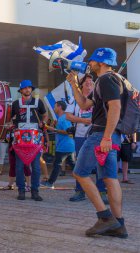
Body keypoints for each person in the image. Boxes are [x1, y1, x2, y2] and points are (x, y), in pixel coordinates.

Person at [67, 48, 127, 238]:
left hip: (101, 134)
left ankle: (105, 217)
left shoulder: (106, 79)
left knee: (80, 173)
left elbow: (115, 107)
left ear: (101, 62)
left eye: (92, 60)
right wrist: (74, 84)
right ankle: (119, 225)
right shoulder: (110, 80)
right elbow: (84, 105)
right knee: (110, 179)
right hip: (111, 135)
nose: (90, 63)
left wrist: (106, 137)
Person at [66, 74, 108, 203]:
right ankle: (80, 192)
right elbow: (68, 116)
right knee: (80, 165)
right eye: (86, 82)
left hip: (98, 136)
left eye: (92, 81)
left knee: (101, 164)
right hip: (81, 136)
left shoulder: (100, 98)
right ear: (81, 85)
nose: (89, 83)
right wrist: (84, 120)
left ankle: (102, 192)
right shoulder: (74, 99)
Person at [11, 80, 48, 201]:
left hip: (35, 138)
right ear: (21, 90)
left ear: (31, 89)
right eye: (25, 88)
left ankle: (35, 191)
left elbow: (45, 114)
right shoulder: (16, 104)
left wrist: (44, 122)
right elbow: (10, 118)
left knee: (36, 166)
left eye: (29, 88)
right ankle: (21, 191)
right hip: (19, 138)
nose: (27, 90)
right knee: (19, 167)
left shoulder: (38, 102)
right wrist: (12, 124)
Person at [42, 101, 75, 188]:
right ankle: (84, 181)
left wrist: (54, 129)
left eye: (55, 106)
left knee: (57, 164)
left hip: (64, 146)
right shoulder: (62, 118)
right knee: (73, 166)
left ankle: (50, 182)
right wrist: (55, 127)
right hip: (67, 145)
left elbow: (68, 131)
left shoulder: (63, 118)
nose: (54, 108)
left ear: (59, 107)